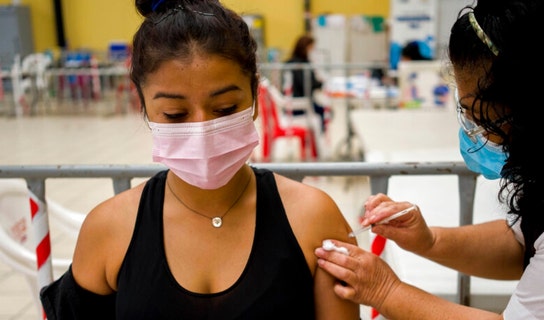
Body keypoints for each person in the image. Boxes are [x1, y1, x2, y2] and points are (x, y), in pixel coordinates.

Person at [315, 0, 544, 319]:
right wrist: (430, 240)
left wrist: (386, 291)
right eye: (465, 112)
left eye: (483, 119)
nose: (474, 132)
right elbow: (523, 243)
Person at [39, 1, 359, 319]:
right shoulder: (108, 230)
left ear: (255, 100)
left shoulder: (314, 219)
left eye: (225, 109)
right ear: (146, 109)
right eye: (176, 115)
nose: (202, 129)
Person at [285, 34, 331, 133]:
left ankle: (317, 140)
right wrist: (320, 83)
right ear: (305, 47)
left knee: (324, 109)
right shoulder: (300, 65)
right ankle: (318, 141)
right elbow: (306, 85)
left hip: (297, 101)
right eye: (311, 48)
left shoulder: (292, 62)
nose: (313, 51)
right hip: (299, 104)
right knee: (325, 111)